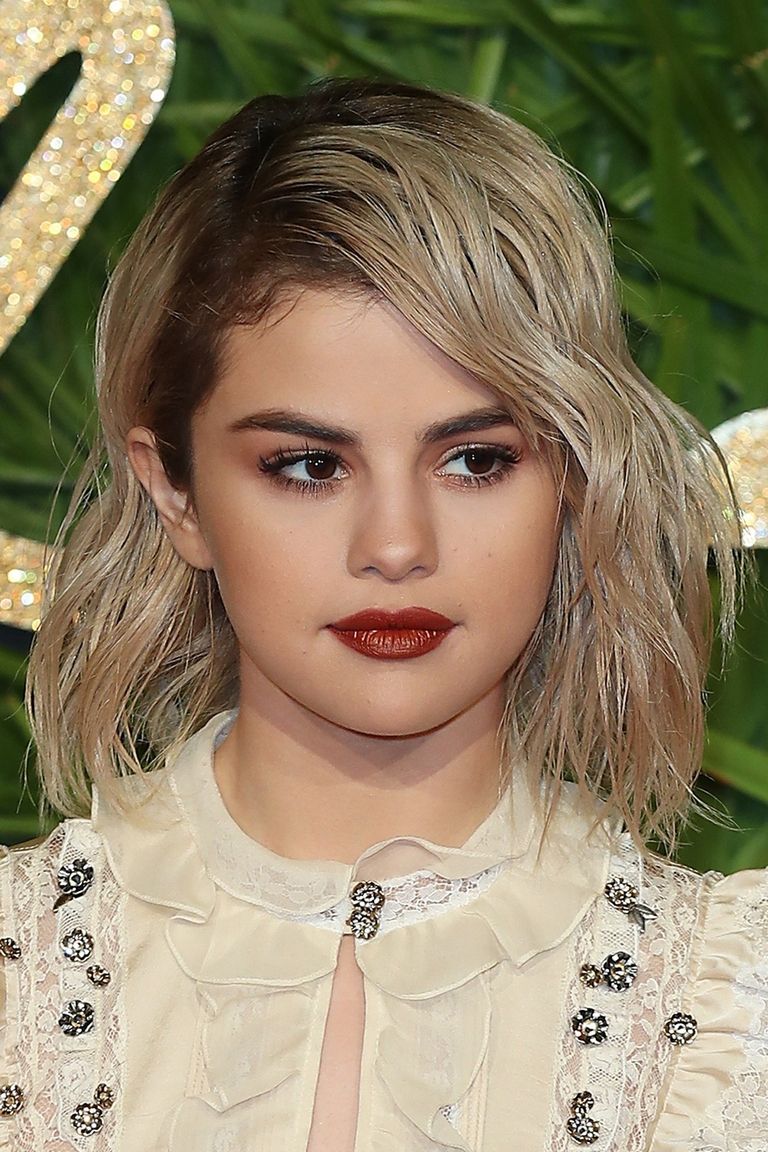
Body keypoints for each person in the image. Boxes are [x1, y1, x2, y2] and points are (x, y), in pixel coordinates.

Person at [0, 75, 764, 1152]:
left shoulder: (734, 1010)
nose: (398, 545)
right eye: (310, 465)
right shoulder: (18, 969)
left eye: (476, 459)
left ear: (575, 485)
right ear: (176, 496)